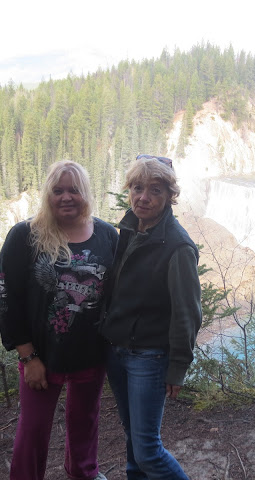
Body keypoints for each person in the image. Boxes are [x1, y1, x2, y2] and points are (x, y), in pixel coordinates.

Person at [0, 160, 118, 480]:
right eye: (58, 190)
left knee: (85, 421)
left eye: (74, 190)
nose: (66, 197)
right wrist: (28, 357)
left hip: (91, 353)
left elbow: (118, 293)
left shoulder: (107, 235)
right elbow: (7, 297)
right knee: (33, 429)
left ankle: (83, 473)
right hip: (41, 356)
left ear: (85, 193)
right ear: (47, 195)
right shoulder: (26, 236)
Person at [100, 154, 202, 480]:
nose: (143, 197)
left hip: (149, 356)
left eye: (155, 190)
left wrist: (178, 366)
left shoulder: (178, 246)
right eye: (137, 188)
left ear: (170, 196)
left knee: (147, 450)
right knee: (133, 438)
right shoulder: (131, 228)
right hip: (117, 350)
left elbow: (187, 312)